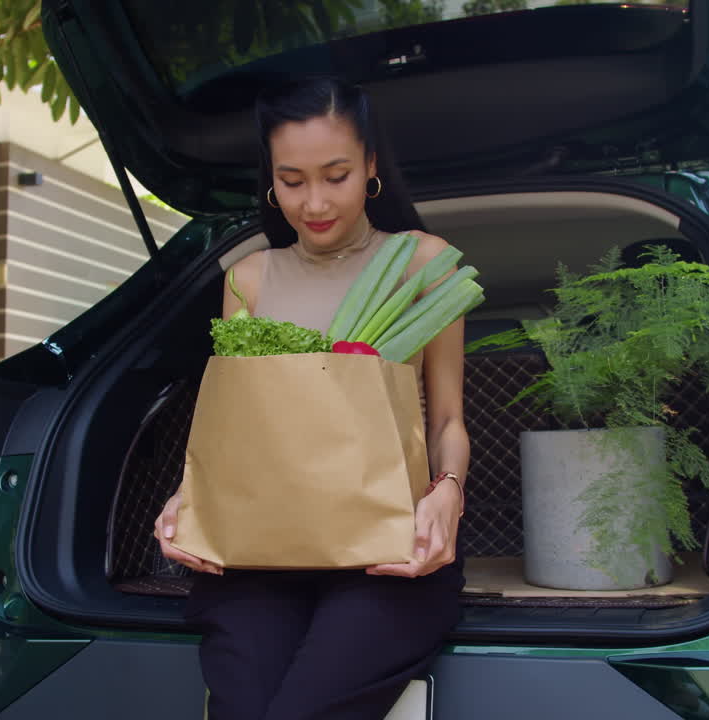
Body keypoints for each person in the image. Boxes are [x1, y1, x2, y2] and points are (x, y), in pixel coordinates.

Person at [154, 76, 469, 720]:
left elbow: (447, 420)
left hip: (387, 551)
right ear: (271, 179)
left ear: (371, 166)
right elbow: (237, 427)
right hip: (264, 549)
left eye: (336, 175)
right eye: (292, 181)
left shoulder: (422, 264)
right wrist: (189, 499)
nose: (315, 202)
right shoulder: (248, 279)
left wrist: (448, 493)